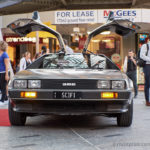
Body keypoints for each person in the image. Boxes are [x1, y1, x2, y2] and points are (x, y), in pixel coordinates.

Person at [140, 35, 150, 106]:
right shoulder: (145, 46)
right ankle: (147, 100)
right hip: (147, 65)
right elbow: (142, 55)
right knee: (148, 83)